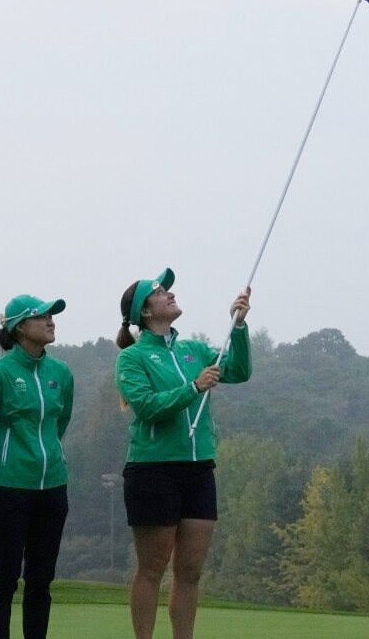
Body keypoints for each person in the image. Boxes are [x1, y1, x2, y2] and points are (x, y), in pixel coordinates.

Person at [114, 268, 252, 639]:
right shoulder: (132, 358)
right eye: (161, 292)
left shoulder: (193, 349)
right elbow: (145, 407)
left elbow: (238, 370)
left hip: (198, 469)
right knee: (153, 567)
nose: (170, 294)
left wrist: (238, 326)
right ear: (145, 311)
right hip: (152, 470)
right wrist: (193, 387)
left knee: (190, 569)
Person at [0, 294, 75, 639]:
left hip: (52, 488)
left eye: (51, 315)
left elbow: (60, 423)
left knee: (41, 580)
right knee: (5, 577)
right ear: (19, 328)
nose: (50, 320)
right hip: (8, 489)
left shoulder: (61, 372)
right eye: (41, 316)